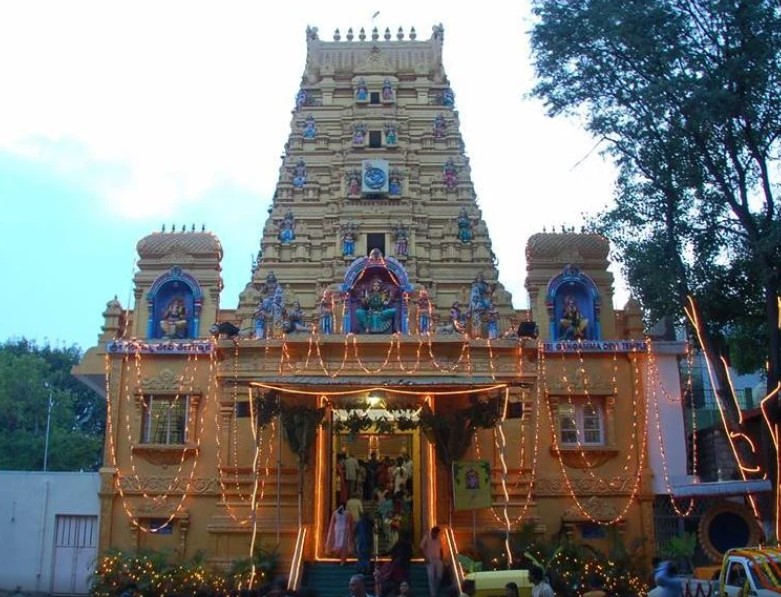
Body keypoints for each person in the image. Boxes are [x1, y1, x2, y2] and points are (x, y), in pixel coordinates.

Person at [419, 526, 444, 597]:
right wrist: (425, 558)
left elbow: (441, 549)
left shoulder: (439, 538)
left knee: (439, 576)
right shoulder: (427, 537)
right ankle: (433, 594)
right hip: (430, 559)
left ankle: (435, 590)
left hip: (438, 559)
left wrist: (442, 559)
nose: (436, 535)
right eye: (435, 533)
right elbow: (421, 548)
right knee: (431, 576)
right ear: (432, 532)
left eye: (437, 534)